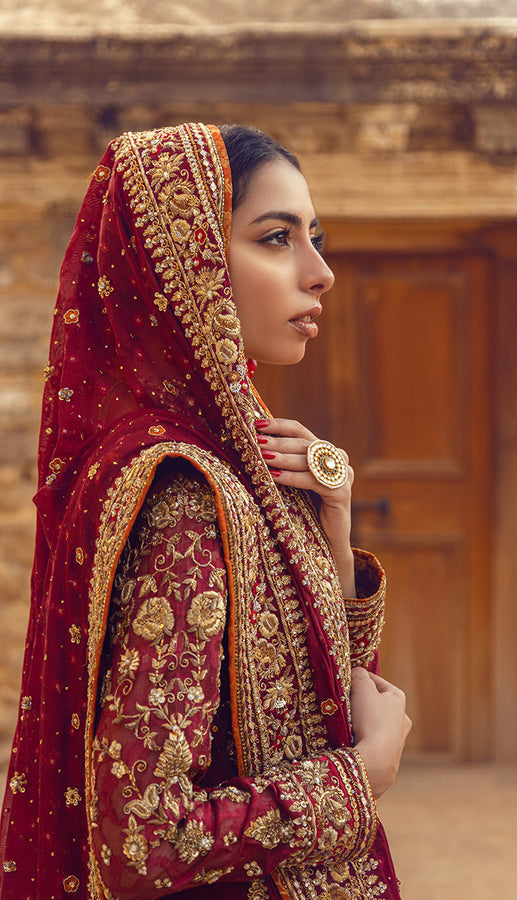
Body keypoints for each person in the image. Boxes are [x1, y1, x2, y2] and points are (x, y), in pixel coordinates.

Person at [0, 122, 411, 899]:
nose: (319, 272)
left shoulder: (238, 460)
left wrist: (336, 534)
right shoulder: (183, 494)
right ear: (185, 269)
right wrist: (359, 778)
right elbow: (146, 842)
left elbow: (312, 698)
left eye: (312, 237)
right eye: (276, 238)